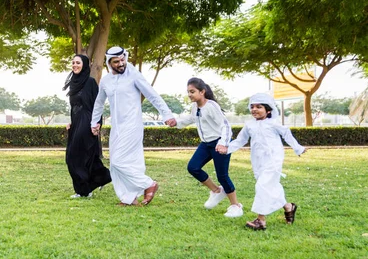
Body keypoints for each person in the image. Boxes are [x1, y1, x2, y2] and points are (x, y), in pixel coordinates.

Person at [90, 46, 177, 206]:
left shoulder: (134, 75)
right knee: (119, 165)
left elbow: (152, 95)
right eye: (116, 62)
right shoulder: (106, 80)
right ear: (109, 63)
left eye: (123, 59)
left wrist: (167, 114)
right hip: (116, 127)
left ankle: (148, 184)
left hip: (133, 125)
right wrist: (94, 122)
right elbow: (99, 102)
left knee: (118, 162)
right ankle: (129, 198)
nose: (121, 63)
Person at [217, 93, 306, 230]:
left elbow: (287, 134)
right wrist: (227, 149)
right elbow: (241, 140)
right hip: (257, 161)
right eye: (252, 107)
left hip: (273, 160)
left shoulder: (274, 123)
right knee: (271, 187)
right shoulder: (249, 125)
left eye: (259, 107)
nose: (254, 109)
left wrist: (298, 149)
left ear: (268, 110)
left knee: (262, 186)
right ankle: (288, 207)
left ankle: (260, 220)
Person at [173, 78, 243, 217]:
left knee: (222, 176)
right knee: (193, 167)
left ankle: (236, 205)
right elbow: (191, 119)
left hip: (219, 143)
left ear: (202, 91)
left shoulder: (211, 106)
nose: (190, 95)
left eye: (192, 91)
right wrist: (175, 122)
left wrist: (223, 143)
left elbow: (225, 126)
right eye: (188, 92)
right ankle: (216, 191)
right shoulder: (195, 107)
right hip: (206, 144)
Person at [64, 54, 112, 198]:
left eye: (78, 62)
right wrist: (71, 121)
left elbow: (97, 105)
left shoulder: (90, 82)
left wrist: (97, 124)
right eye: (73, 63)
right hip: (76, 122)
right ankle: (102, 177)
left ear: (84, 64)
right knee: (82, 156)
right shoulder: (73, 82)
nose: (75, 65)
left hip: (87, 121)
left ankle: (84, 190)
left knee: (76, 156)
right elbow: (74, 106)